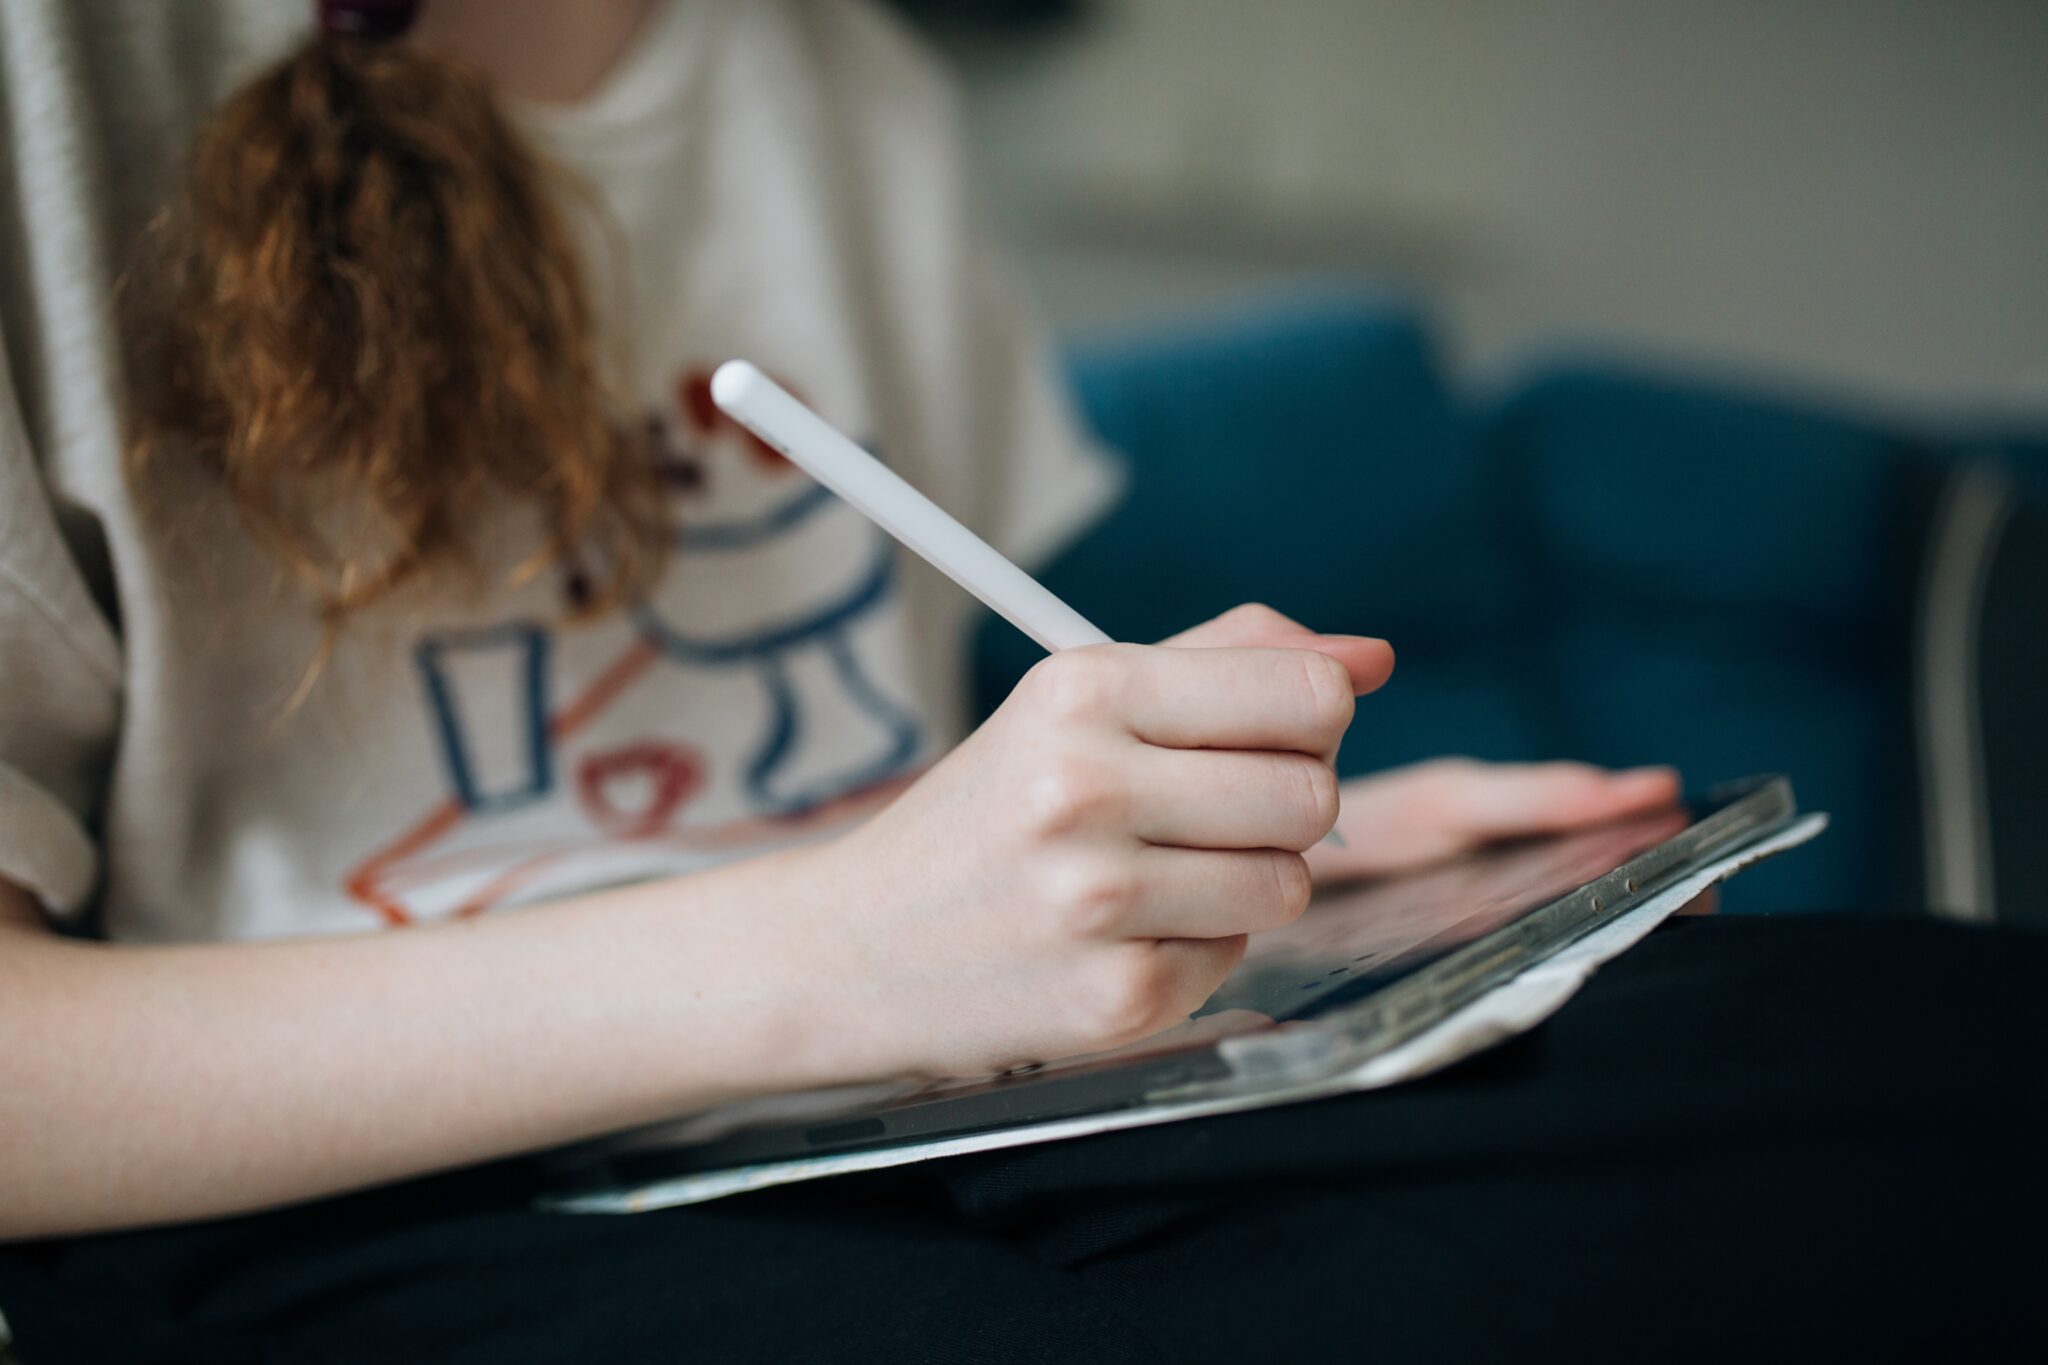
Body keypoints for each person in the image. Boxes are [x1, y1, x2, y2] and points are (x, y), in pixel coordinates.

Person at [0, 2, 2040, 1361]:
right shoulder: (59, 69)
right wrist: (833, 951)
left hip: (907, 1095)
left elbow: (783, 817)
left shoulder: (838, 83)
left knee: (1937, 1056)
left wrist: (1273, 864)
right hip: (332, 1193)